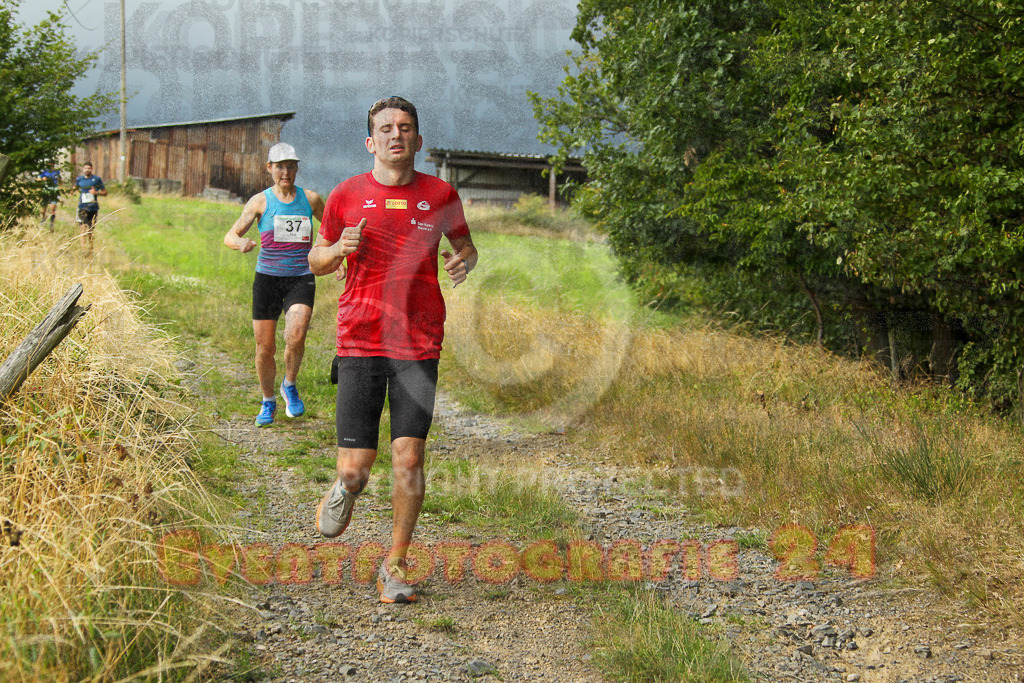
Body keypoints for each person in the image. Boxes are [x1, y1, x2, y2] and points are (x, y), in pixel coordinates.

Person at [308, 96, 478, 604]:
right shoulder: (345, 196)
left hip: (419, 341)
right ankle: (345, 487)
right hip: (360, 338)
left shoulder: (442, 194)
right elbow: (317, 259)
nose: (395, 135)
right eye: (385, 129)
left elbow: (466, 246)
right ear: (370, 142)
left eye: (405, 128)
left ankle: (395, 565)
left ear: (418, 140)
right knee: (356, 466)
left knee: (409, 455)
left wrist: (464, 260)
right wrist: (338, 249)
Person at [224, 142, 325, 427]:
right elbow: (230, 235)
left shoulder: (312, 199)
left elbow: (331, 228)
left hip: (300, 278)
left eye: (291, 166)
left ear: (297, 169)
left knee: (296, 334)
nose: (286, 172)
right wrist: (240, 243)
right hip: (267, 279)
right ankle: (268, 400)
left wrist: (333, 257)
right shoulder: (260, 202)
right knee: (264, 348)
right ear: (269, 168)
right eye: (280, 166)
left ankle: (289, 384)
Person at [74, 162, 106, 255]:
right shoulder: (79, 179)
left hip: (93, 207)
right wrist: (72, 191)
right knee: (82, 229)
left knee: (90, 230)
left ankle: (91, 250)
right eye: (85, 168)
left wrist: (96, 193)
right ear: (83, 169)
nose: (87, 170)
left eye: (89, 168)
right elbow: (74, 188)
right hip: (82, 207)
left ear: (92, 169)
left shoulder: (96, 179)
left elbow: (105, 192)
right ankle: (84, 251)